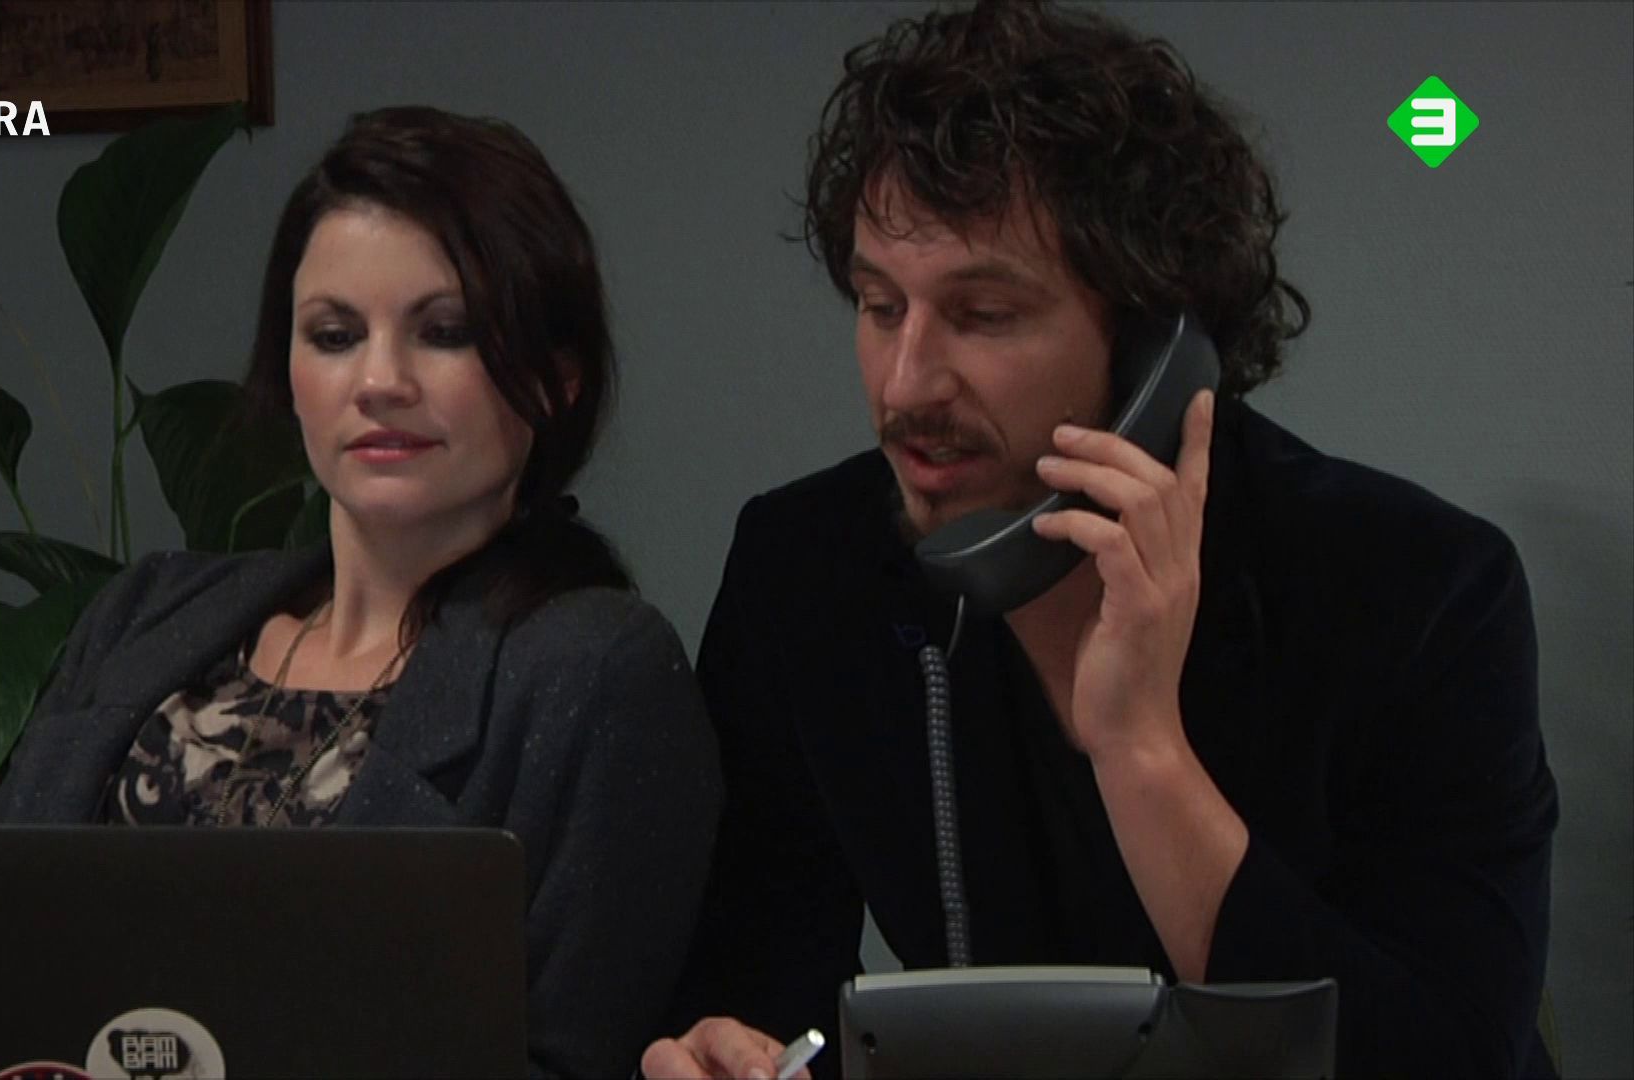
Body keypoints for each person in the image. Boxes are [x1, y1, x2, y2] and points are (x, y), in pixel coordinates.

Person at [645, 2, 1557, 1077]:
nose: (906, 385)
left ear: (1152, 345)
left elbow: (1449, 1057)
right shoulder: (808, 570)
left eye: (983, 315)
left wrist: (1143, 752)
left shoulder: (1417, 591)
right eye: (881, 306)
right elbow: (757, 980)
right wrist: (728, 1054)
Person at [0, 105, 722, 1079]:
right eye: (334, 334)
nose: (379, 381)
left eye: (445, 332)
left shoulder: (596, 671)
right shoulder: (142, 609)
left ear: (556, 377)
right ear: (287, 372)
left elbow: (563, 1060)